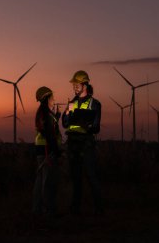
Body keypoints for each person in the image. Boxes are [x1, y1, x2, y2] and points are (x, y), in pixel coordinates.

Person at [62, 70, 103, 215]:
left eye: (76, 84)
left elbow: (96, 127)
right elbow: (65, 124)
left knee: (91, 176)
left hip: (86, 145)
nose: (74, 87)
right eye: (73, 84)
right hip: (73, 145)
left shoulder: (95, 104)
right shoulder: (72, 103)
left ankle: (99, 209)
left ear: (85, 84)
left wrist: (87, 126)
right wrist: (67, 113)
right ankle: (75, 209)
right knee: (75, 178)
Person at [33, 86, 62, 216]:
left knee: (40, 181)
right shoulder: (46, 113)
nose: (54, 99)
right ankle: (48, 210)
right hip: (47, 149)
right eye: (52, 97)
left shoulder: (43, 112)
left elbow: (48, 128)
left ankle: (37, 209)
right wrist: (56, 150)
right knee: (47, 182)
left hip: (41, 148)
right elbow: (50, 134)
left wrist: (57, 116)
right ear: (46, 98)